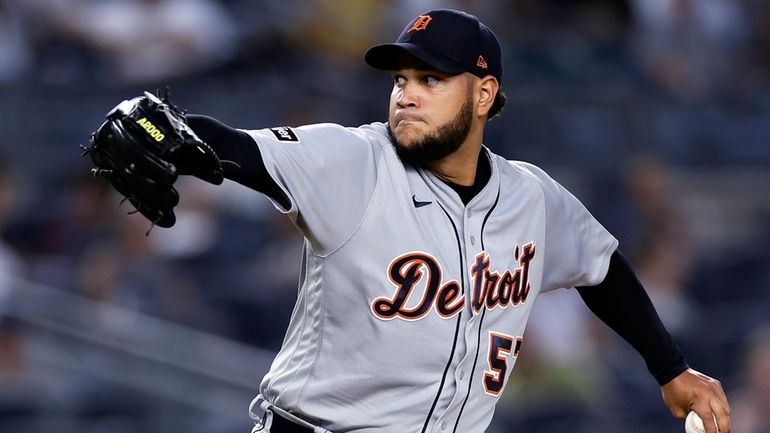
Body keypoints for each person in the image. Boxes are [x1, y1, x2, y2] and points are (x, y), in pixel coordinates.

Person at [130, 9, 731, 433]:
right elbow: (235, 148)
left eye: (431, 79)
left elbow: (602, 271)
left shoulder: (531, 198)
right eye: (401, 79)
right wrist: (158, 126)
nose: (405, 95)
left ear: (483, 94)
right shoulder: (354, 160)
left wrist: (671, 369)